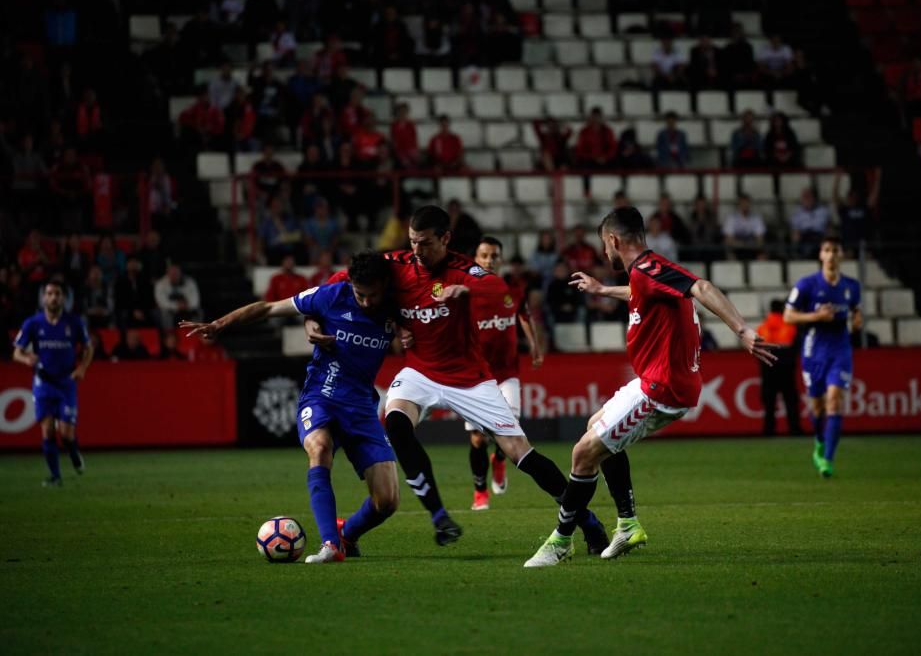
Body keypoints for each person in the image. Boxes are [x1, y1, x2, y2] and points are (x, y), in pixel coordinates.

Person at [320, 206, 609, 551]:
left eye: (425, 243)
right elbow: (344, 278)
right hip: (420, 372)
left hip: (471, 379)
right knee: (395, 423)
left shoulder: (463, 270)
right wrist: (313, 315)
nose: (416, 250)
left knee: (520, 453)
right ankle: (438, 516)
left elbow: (493, 285)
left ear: (445, 239)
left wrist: (466, 292)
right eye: (412, 242)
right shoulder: (396, 264)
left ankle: (588, 521)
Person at [523, 206, 776, 566]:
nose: (604, 253)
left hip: (663, 388)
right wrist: (601, 288)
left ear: (613, 240)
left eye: (604, 245)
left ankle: (560, 541)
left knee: (582, 454)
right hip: (650, 381)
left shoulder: (649, 268)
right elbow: (639, 292)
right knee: (596, 426)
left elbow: (701, 286)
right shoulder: (646, 275)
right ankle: (627, 524)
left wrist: (742, 331)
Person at [181, 251, 401, 563]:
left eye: (373, 295)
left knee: (388, 501)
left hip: (362, 407)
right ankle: (330, 545)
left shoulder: (398, 305)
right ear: (350, 283)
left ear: (385, 286)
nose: (366, 302)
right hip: (321, 396)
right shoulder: (331, 295)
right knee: (320, 447)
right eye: (359, 294)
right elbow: (270, 307)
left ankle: (346, 535)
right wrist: (220, 324)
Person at [462, 237, 543, 510]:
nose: (489, 261)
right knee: (477, 438)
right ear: (475, 258)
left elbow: (523, 315)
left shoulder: (513, 288)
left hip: (508, 372)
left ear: (501, 259)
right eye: (484, 255)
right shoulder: (464, 288)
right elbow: (434, 290)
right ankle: (480, 491)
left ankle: (500, 460)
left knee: (509, 430)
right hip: (476, 376)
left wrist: (533, 345)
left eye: (494, 256)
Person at [784, 236, 862, 478]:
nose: (830, 255)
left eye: (835, 250)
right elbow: (788, 316)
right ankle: (819, 440)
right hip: (813, 350)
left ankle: (828, 459)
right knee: (817, 407)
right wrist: (815, 317)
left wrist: (857, 321)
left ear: (841, 255)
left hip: (840, 348)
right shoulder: (807, 284)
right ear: (820, 255)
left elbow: (856, 312)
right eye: (826, 250)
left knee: (835, 400)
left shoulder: (851, 286)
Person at [12, 280, 94, 486]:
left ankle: (73, 451)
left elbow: (88, 348)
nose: (53, 297)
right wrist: (27, 359)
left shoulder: (74, 322)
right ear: (43, 298)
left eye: (57, 293)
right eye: (49, 293)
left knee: (66, 435)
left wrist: (82, 368)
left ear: (63, 298)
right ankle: (55, 476)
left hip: (66, 382)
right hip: (43, 383)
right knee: (48, 430)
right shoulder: (33, 323)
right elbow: (16, 353)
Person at [757, 300, 803, 437]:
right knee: (790, 399)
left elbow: (757, 347)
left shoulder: (762, 327)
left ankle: (768, 430)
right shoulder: (790, 326)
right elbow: (796, 345)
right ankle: (794, 429)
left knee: (769, 400)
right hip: (786, 366)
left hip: (768, 366)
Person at [155, 264, 202, 330]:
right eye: (172, 274)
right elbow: (162, 302)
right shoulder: (161, 284)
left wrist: (187, 306)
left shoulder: (190, 282)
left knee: (198, 311)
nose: (174, 276)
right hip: (170, 310)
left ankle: (196, 333)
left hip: (187, 309)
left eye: (176, 273)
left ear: (180, 273)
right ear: (167, 274)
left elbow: (195, 301)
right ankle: (169, 336)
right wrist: (176, 306)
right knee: (165, 313)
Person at [790, 187, 831, 258]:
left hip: (819, 236)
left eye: (809, 196)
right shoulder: (797, 213)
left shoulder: (823, 211)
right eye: (805, 197)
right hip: (804, 237)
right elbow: (795, 229)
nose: (807, 199)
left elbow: (828, 225)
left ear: (814, 198)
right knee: (799, 240)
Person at [723, 194, 766, 260]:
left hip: (752, 248)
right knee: (730, 254)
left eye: (747, 203)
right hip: (737, 248)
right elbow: (729, 240)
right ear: (739, 205)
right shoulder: (731, 218)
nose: (745, 206)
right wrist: (743, 244)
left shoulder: (756, 218)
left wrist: (750, 244)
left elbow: (760, 239)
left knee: (762, 256)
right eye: (742, 203)